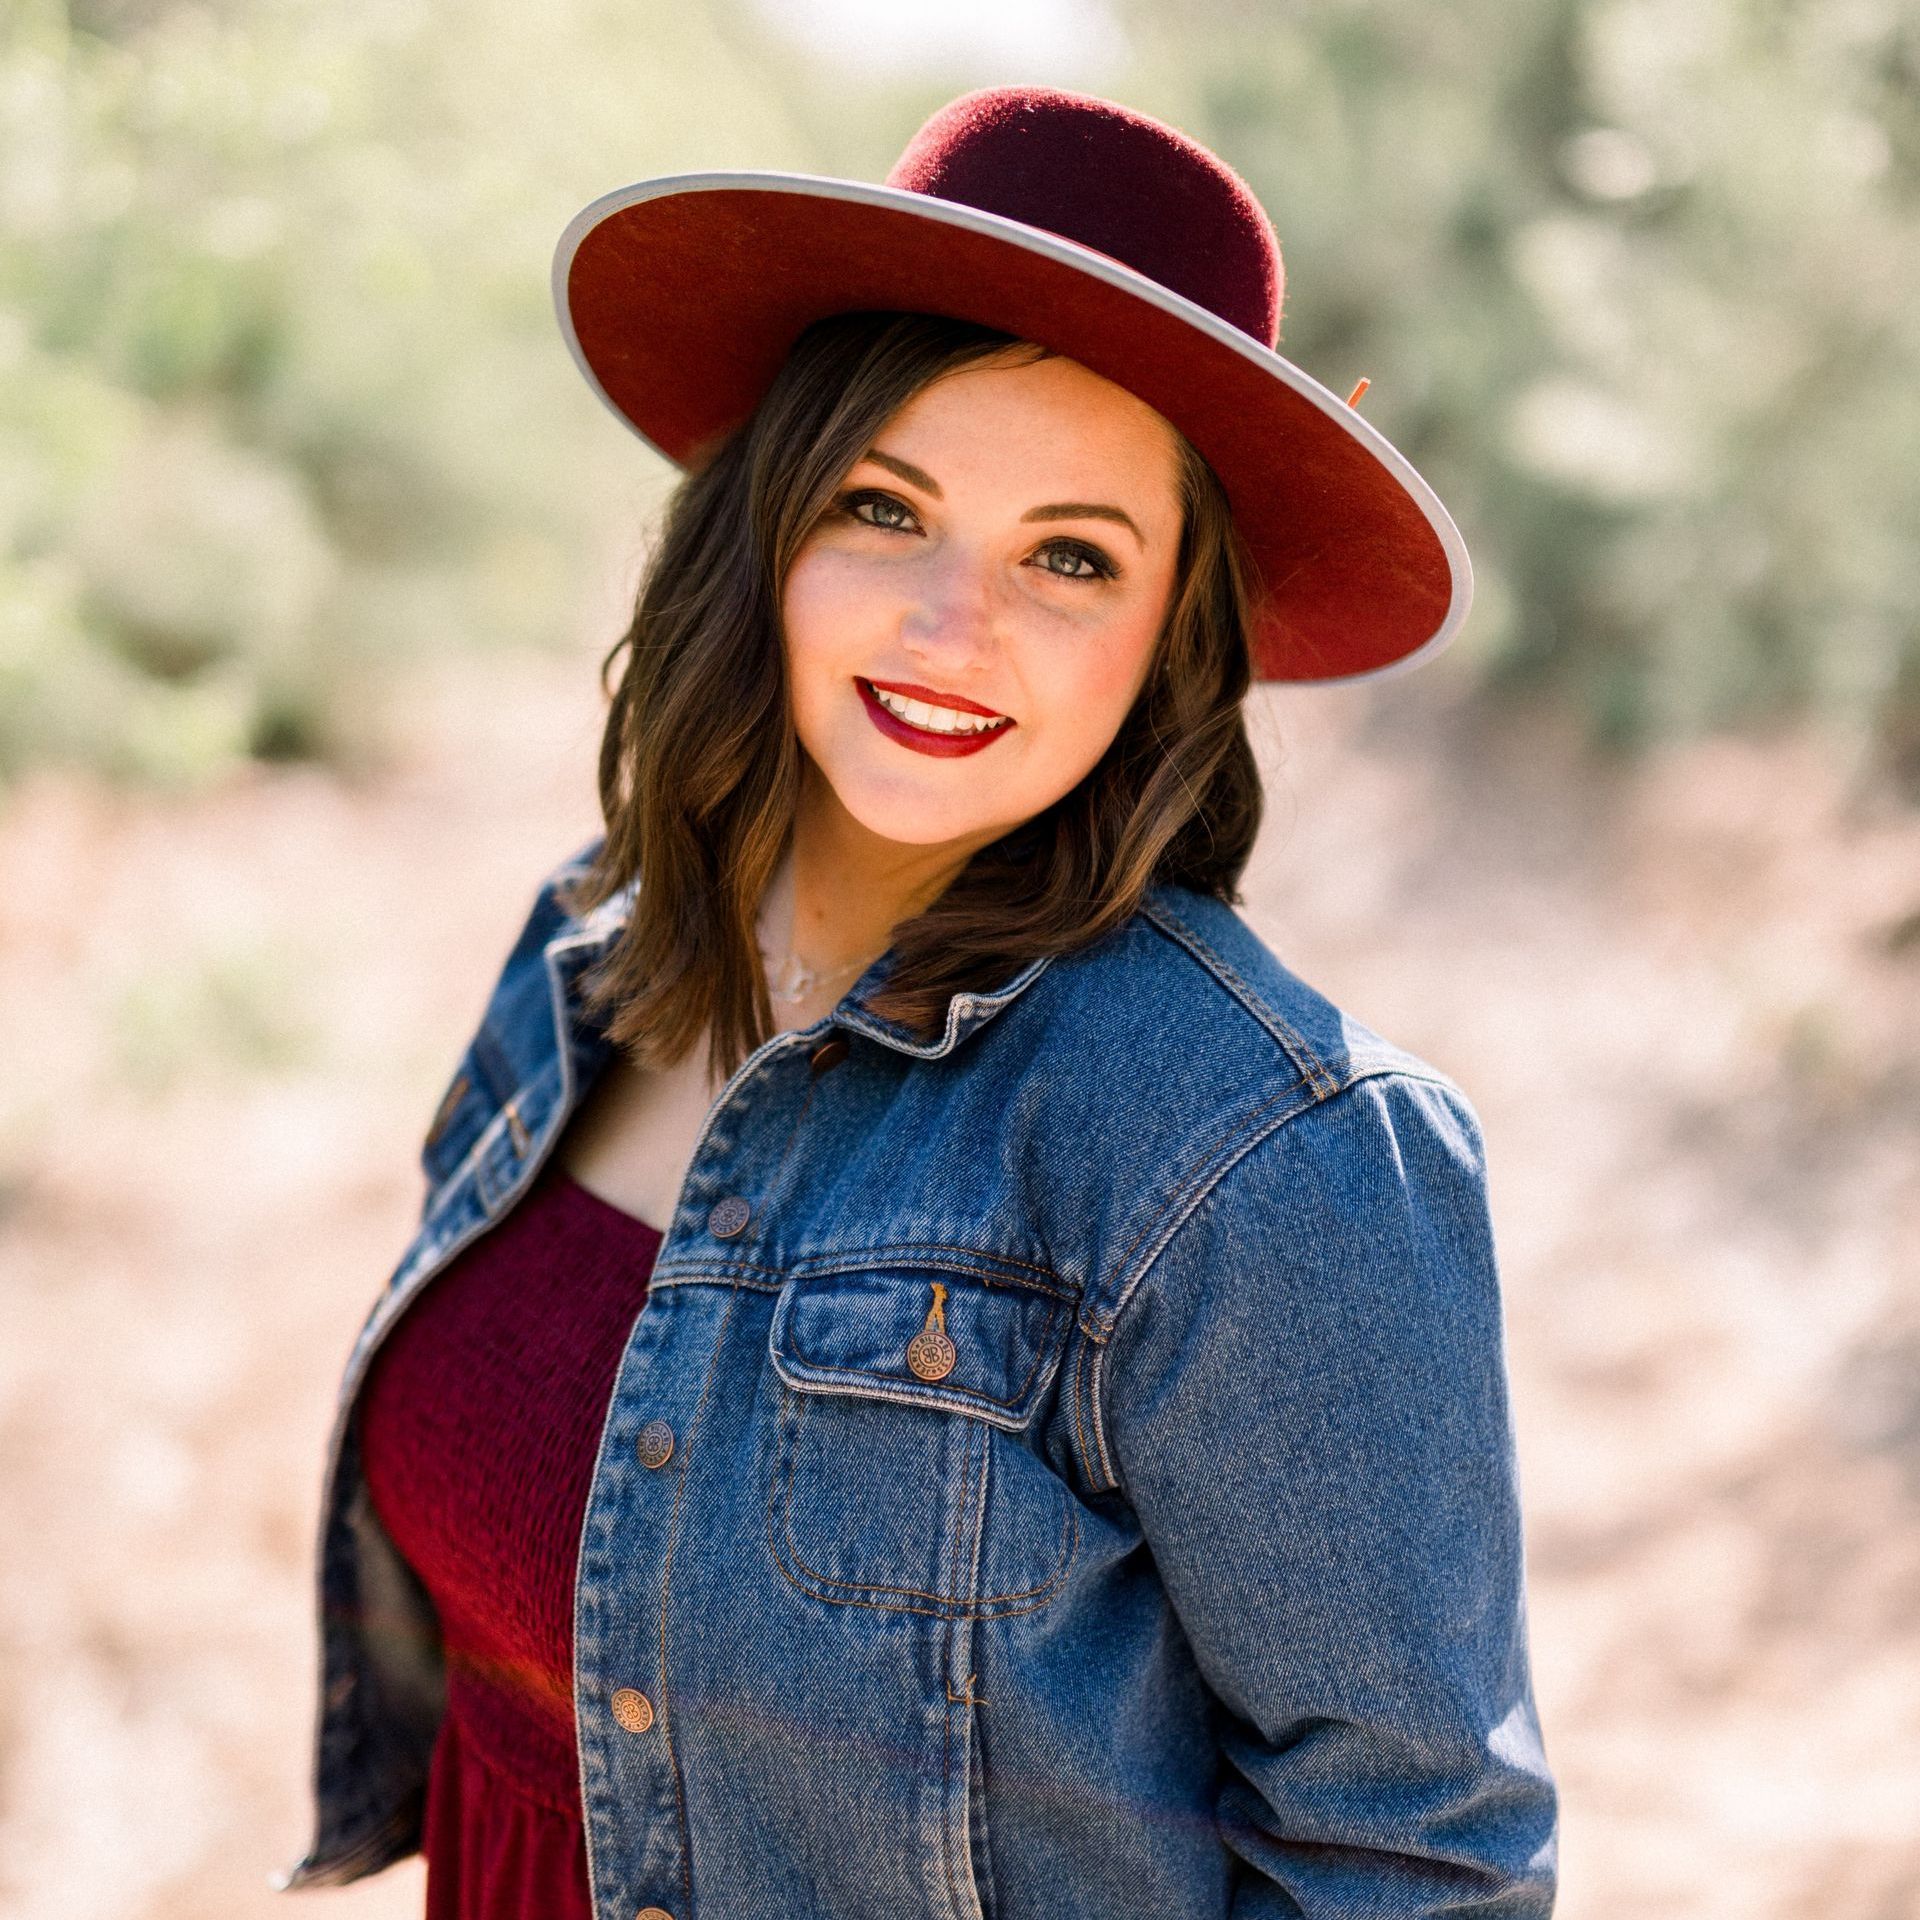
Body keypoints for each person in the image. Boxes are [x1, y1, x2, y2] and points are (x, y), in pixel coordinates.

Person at [272, 84, 1559, 1920]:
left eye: (1070, 556)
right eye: (889, 507)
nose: (954, 628)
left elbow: (1420, 1867)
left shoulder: (1262, 1153)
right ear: (769, 533)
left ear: (1175, 630)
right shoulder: (590, 952)